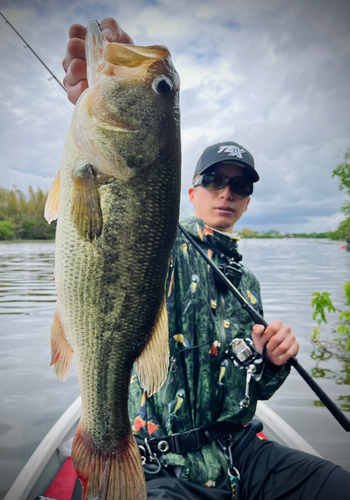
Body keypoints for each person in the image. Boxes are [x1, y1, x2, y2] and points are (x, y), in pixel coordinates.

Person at [62, 19, 350, 500]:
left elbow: (248, 389)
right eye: (216, 181)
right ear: (190, 191)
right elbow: (122, 218)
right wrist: (102, 100)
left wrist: (271, 361)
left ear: (248, 201)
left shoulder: (247, 281)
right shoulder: (165, 241)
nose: (228, 193)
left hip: (239, 452)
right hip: (161, 459)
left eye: (240, 186)